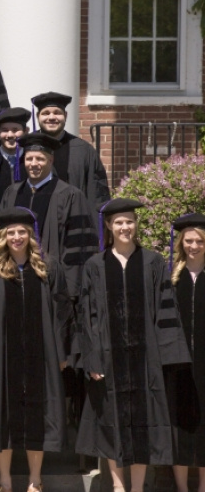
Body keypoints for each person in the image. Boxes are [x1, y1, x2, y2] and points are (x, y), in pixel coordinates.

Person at [76, 199, 191, 492]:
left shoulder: (152, 262)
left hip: (145, 362)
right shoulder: (94, 265)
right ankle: (117, 486)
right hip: (108, 360)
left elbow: (166, 311)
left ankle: (137, 488)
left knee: (144, 426)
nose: (125, 227)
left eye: (129, 221)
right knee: (111, 424)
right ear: (109, 227)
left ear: (135, 225)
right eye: (119, 222)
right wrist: (92, 359)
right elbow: (86, 316)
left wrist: (165, 358)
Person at [0, 207, 74, 492]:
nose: (16, 237)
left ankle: (35, 479)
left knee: (37, 415)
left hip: (42, 354)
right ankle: (4, 479)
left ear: (30, 235)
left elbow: (63, 312)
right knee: (3, 414)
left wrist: (61, 353)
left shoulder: (47, 267)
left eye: (22, 232)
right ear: (2, 236)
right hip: (1, 355)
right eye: (11, 232)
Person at [0, 132, 98, 302]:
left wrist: (70, 289)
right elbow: (1, 237)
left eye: (40, 159)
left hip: (55, 285)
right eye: (29, 159)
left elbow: (78, 246)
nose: (34, 164)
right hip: (15, 277)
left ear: (51, 161)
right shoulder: (12, 193)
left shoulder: (70, 195)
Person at [169, 213, 205, 492]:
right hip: (177, 365)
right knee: (178, 427)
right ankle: (181, 488)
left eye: (199, 241)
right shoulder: (171, 277)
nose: (193, 245)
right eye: (189, 240)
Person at [32, 91, 111, 206]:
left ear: (66, 116)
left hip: (74, 218)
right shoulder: (26, 148)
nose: (51, 117)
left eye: (57, 113)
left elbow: (97, 192)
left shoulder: (83, 150)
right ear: (38, 116)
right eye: (46, 113)